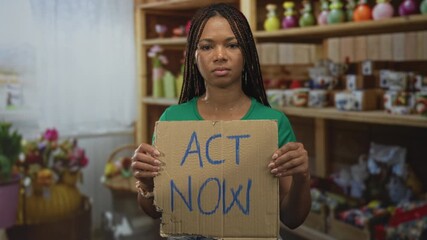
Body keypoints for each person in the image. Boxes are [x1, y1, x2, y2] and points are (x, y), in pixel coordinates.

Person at [131, 3, 311, 239]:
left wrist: (302, 177)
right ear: (193, 56)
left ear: (246, 53)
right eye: (207, 46)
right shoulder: (172, 120)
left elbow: (292, 219)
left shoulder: (272, 122)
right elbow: (155, 213)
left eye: (232, 45)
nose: (219, 56)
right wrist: (146, 184)